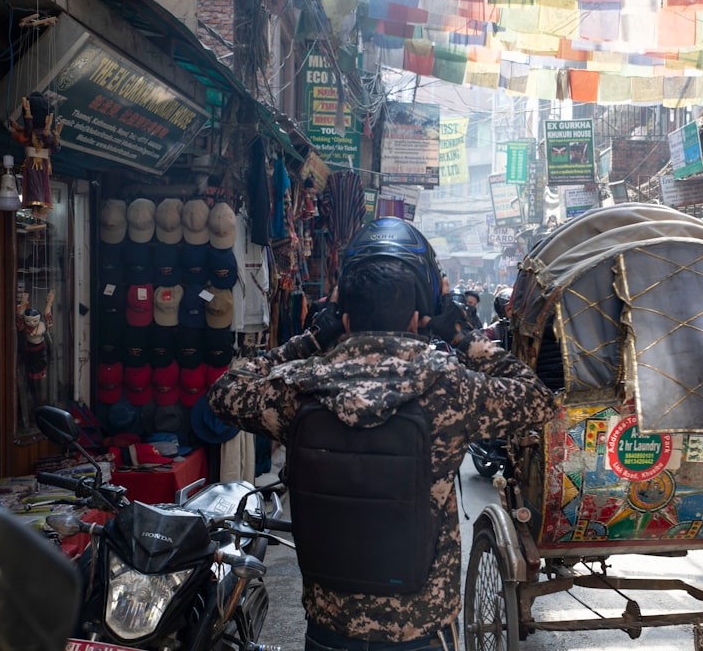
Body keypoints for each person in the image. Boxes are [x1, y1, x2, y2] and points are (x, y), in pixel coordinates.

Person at [207, 223, 558, 651]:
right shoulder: (448, 386)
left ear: (346, 318)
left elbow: (226, 390)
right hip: (420, 627)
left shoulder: (300, 385)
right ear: (417, 318)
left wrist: (312, 338)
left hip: (329, 624)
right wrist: (462, 337)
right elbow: (537, 399)